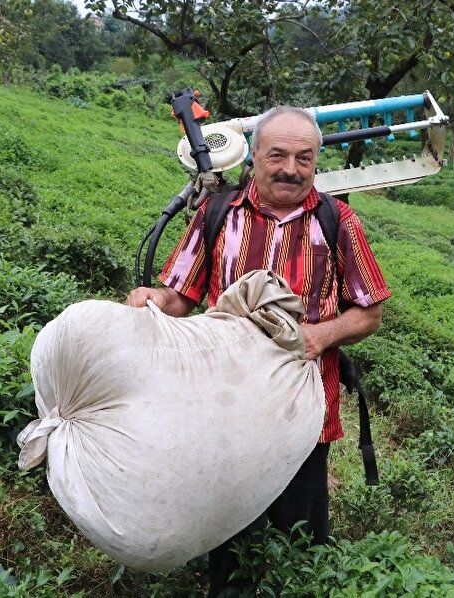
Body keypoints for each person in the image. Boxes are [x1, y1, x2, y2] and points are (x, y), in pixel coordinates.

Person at [126, 105, 391, 596]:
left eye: (304, 158)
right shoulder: (217, 214)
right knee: (230, 540)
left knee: (300, 544)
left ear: (316, 162)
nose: (291, 169)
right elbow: (180, 296)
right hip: (227, 411)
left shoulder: (338, 222)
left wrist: (320, 336)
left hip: (304, 415)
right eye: (278, 155)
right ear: (254, 158)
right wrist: (154, 300)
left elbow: (369, 313)